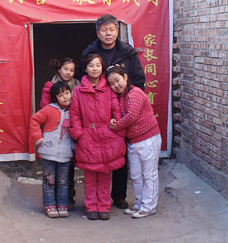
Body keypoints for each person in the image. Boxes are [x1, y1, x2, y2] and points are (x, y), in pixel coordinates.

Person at [77, 14, 146, 209]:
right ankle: (97, 200)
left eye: (112, 29)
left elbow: (139, 80)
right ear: (98, 33)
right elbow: (82, 81)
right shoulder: (89, 53)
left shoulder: (128, 52)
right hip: (97, 111)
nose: (108, 33)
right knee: (97, 156)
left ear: (117, 31)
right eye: (104, 30)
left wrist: (129, 101)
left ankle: (119, 195)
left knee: (119, 152)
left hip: (122, 110)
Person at [69, 53, 126, 221]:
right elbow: (75, 115)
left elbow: (116, 110)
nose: (95, 69)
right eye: (91, 65)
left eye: (98, 65)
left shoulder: (108, 89)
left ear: (102, 68)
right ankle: (91, 207)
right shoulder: (78, 91)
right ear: (85, 69)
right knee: (90, 176)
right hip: (87, 135)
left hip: (107, 135)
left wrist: (118, 130)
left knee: (104, 175)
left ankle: (103, 207)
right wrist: (79, 134)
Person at [107, 66, 161, 218]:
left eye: (117, 80)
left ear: (125, 77)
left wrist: (115, 125)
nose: (115, 85)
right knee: (136, 176)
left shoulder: (135, 93)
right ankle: (139, 204)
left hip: (148, 139)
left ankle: (149, 206)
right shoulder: (122, 96)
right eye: (111, 84)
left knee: (149, 175)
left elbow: (131, 117)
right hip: (133, 141)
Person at [39, 58, 80, 210]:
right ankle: (52, 201)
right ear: (59, 69)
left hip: (70, 130)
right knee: (52, 169)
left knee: (67, 169)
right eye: (65, 69)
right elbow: (43, 108)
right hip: (54, 131)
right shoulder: (50, 86)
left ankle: (67, 200)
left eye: (72, 70)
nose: (68, 72)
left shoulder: (78, 86)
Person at [30, 81, 75, 218]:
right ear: (55, 98)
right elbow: (34, 121)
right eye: (61, 95)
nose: (66, 97)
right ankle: (49, 205)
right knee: (49, 180)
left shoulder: (74, 110)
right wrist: (39, 139)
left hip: (66, 153)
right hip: (48, 153)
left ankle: (62, 205)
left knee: (63, 181)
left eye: (67, 93)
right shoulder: (49, 109)